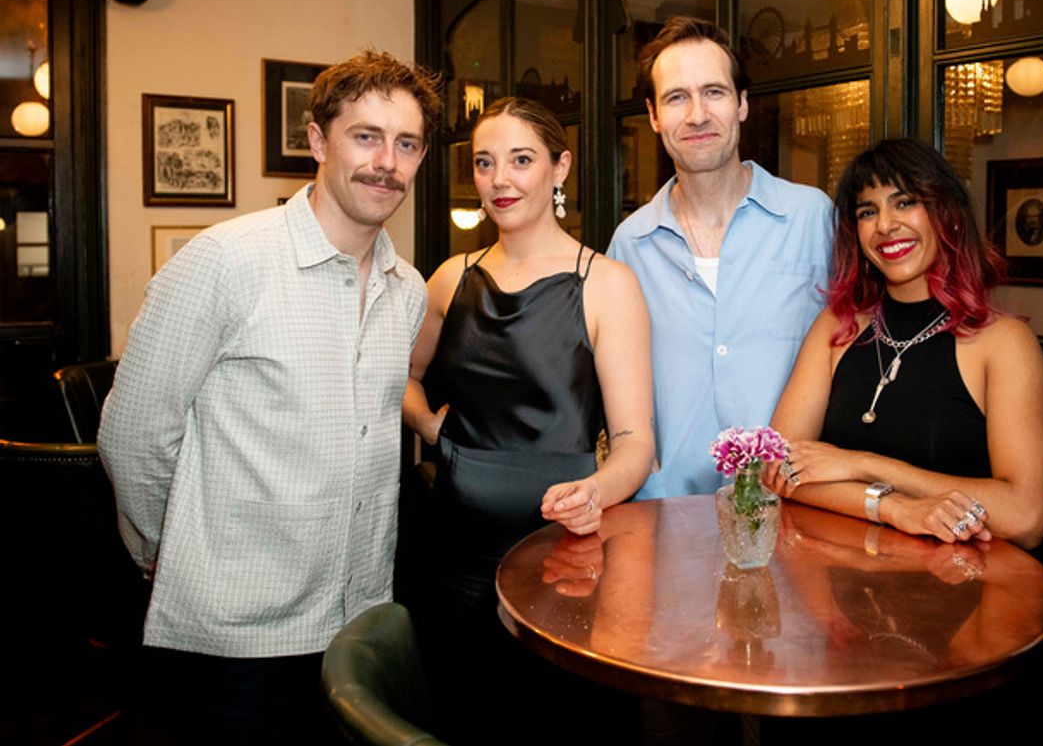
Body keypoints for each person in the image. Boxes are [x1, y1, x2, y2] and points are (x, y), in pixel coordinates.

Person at [97, 50, 441, 744]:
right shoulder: (225, 261)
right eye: (365, 137)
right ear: (317, 140)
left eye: (406, 144)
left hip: (355, 622)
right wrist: (170, 548)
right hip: (235, 638)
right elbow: (132, 434)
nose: (387, 162)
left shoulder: (407, 289)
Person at [402, 96, 654, 742]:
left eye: (521, 159)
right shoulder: (449, 278)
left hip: (564, 559)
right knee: (466, 717)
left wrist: (594, 492)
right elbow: (399, 380)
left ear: (559, 167)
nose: (500, 179)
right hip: (456, 555)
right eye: (485, 163)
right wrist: (431, 426)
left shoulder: (607, 283)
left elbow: (634, 444)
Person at [765, 138, 1043, 548]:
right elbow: (778, 470)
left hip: (958, 588)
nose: (885, 225)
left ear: (947, 215)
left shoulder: (1003, 343)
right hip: (843, 578)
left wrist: (861, 465)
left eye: (904, 203)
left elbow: (1025, 516)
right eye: (869, 211)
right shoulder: (838, 327)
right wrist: (894, 508)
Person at [608, 16, 834, 500]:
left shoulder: (813, 218)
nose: (696, 115)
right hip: (665, 516)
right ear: (652, 116)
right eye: (676, 97)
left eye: (714, 92)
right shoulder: (629, 245)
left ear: (742, 104)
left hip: (795, 510)